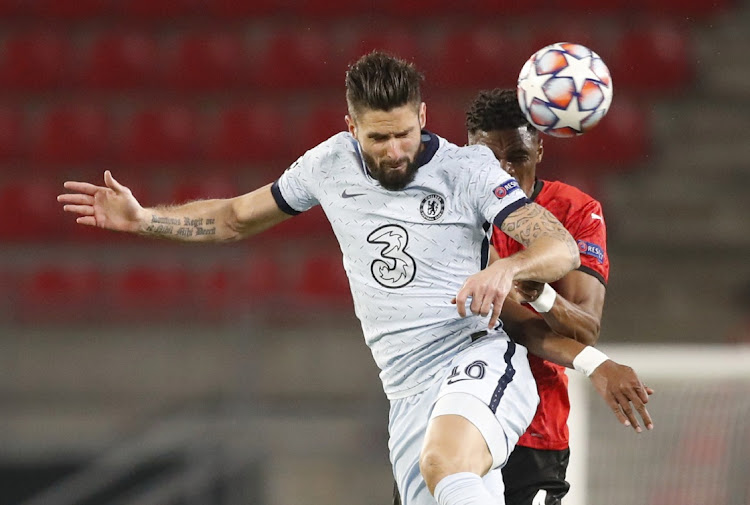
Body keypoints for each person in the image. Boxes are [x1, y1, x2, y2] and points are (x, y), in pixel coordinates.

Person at [58, 52, 652, 505]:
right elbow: (236, 217)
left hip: (475, 358)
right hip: (405, 389)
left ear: (422, 116)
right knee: (440, 472)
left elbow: (558, 246)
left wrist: (509, 265)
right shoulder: (326, 165)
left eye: (404, 133)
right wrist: (144, 221)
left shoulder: (468, 169)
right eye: (377, 137)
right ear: (350, 126)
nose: (395, 151)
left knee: (448, 461)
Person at [391, 87, 626, 505]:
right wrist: (595, 364)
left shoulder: (573, 212)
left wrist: (541, 297)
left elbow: (585, 326)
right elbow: (508, 321)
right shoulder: (445, 211)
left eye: (516, 156)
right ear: (467, 152)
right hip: (446, 415)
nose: (502, 169)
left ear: (539, 148)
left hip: (535, 431)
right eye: (488, 158)